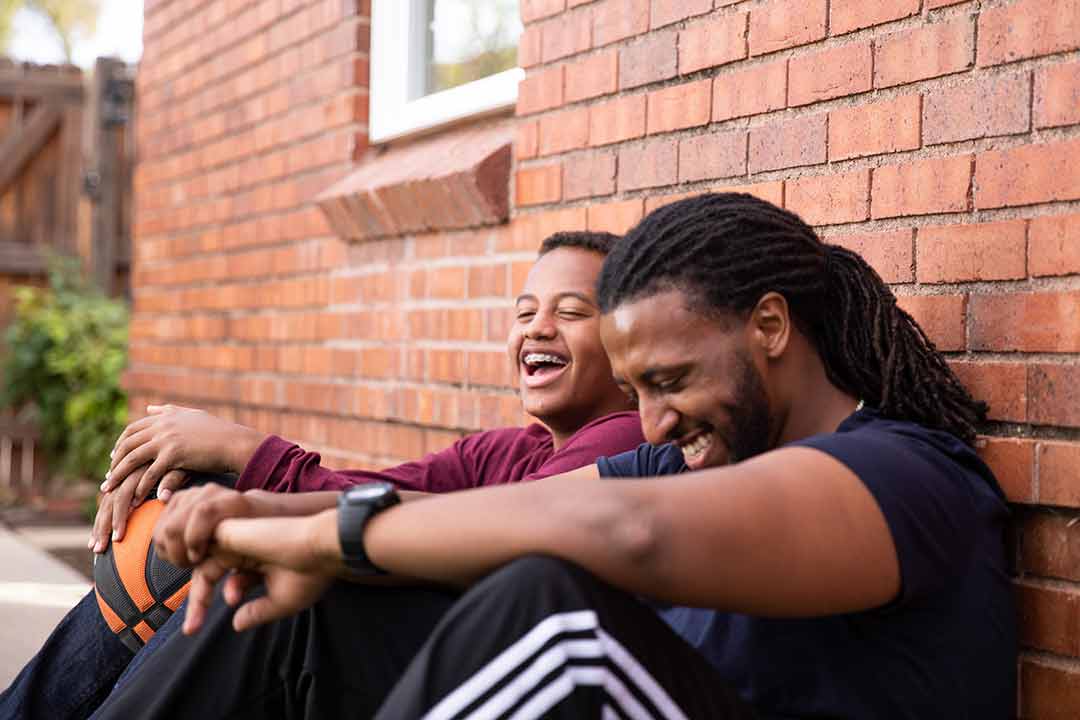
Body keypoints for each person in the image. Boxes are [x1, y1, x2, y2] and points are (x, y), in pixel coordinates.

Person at [93, 193, 1016, 720]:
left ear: (769, 326)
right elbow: (492, 513)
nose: (650, 423)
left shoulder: (908, 474)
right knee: (308, 607)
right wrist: (262, 521)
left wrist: (331, 533)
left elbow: (618, 529)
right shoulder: (687, 465)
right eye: (637, 389)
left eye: (669, 379)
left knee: (552, 617)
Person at [0, 231, 643, 720]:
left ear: (625, 339)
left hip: (494, 671)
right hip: (437, 639)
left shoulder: (626, 440)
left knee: (274, 582)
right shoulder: (512, 450)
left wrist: (246, 454)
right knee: (205, 509)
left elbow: (486, 536)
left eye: (572, 312)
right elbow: (368, 490)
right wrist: (218, 466)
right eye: (525, 310)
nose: (537, 327)